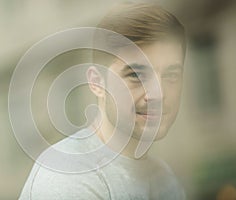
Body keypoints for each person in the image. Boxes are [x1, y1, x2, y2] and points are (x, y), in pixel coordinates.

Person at [19, 3, 186, 200]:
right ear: (97, 82)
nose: (158, 94)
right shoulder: (69, 177)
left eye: (171, 74)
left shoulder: (164, 178)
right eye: (136, 75)